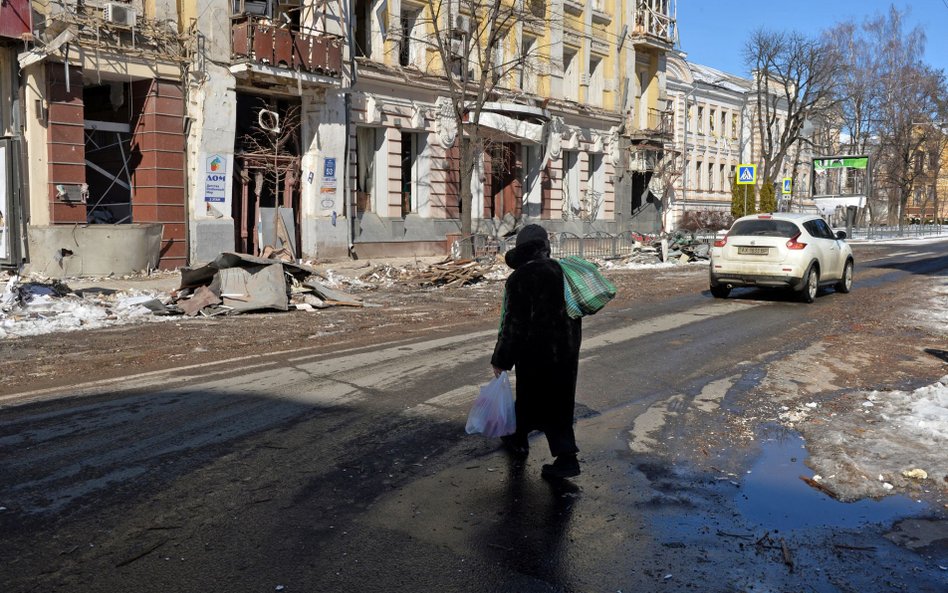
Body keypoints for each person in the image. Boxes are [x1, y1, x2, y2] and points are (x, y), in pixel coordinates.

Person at [490, 224, 583, 479]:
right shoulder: (561, 271)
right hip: (565, 352)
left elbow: (515, 324)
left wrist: (501, 359)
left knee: (531, 397)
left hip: (535, 355)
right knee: (559, 405)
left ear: (521, 249)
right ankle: (557, 455)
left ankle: (527, 445)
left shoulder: (521, 277)